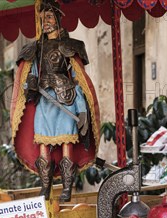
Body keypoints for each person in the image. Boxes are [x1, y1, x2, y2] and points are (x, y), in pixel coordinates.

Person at [10, 0, 100, 202]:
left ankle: (67, 189)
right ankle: (45, 187)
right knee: (43, 144)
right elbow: (30, 75)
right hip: (44, 103)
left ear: (58, 18)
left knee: (67, 143)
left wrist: (82, 110)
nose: (45, 22)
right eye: (43, 19)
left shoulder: (70, 46)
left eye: (49, 17)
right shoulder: (33, 49)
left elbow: (78, 80)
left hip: (65, 100)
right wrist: (30, 85)